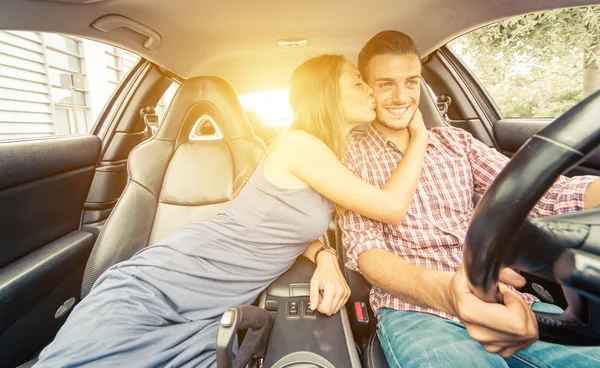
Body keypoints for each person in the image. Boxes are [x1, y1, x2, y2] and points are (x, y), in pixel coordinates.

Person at [34, 54, 429, 367]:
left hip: (208, 309)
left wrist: (325, 256)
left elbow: (286, 226)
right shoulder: (298, 146)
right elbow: (392, 208)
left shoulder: (326, 155)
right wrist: (421, 136)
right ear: (328, 93)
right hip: (165, 286)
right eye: (357, 82)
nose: (370, 90)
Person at [341, 30, 600, 368]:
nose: (402, 96)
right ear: (368, 89)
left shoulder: (455, 142)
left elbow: (538, 192)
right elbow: (366, 252)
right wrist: (448, 292)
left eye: (412, 82)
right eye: (386, 83)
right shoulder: (350, 157)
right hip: (415, 312)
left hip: (498, 295)